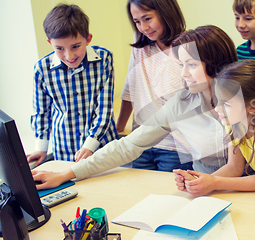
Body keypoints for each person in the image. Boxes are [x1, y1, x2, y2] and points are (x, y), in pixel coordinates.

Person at [32, 25, 238, 189]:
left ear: (215, 63)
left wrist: (208, 184)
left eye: (191, 65)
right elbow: (127, 146)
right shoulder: (181, 103)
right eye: (181, 65)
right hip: (202, 191)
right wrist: (67, 173)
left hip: (242, 190)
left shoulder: (242, 101)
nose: (183, 74)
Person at [174, 59, 255, 195]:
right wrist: (199, 181)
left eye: (226, 104)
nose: (218, 108)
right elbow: (234, 168)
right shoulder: (234, 123)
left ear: (252, 107)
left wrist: (214, 183)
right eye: (218, 101)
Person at [116, 0, 192, 172]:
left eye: (147, 18)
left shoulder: (189, 46)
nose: (143, 27)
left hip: (176, 147)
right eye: (137, 21)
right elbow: (130, 88)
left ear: (165, 11)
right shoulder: (141, 45)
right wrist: (119, 128)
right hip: (141, 141)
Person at [28, 4, 117, 165]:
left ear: (88, 39)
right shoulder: (42, 69)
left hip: (103, 148)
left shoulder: (103, 58)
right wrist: (41, 147)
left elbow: (104, 109)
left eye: (76, 46)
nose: (69, 56)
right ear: (50, 43)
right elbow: (41, 112)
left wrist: (91, 144)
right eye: (60, 48)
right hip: (64, 152)